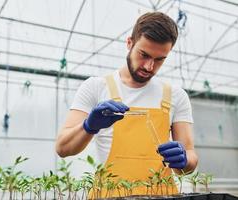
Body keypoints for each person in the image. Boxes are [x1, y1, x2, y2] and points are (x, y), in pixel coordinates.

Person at [56, 12, 198, 196]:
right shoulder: (96, 87)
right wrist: (88, 127)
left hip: (160, 195)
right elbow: (63, 148)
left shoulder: (176, 96)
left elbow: (189, 160)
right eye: (144, 55)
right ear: (129, 43)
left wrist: (184, 159)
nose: (149, 66)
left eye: (159, 59)